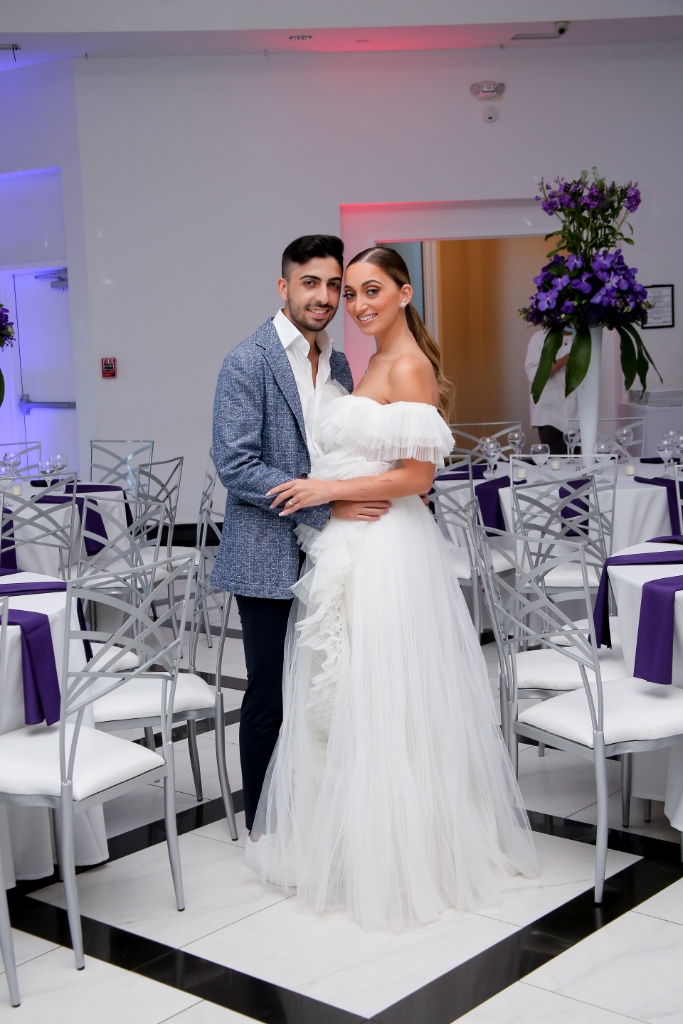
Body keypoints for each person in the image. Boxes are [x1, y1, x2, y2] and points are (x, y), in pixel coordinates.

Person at [244, 246, 538, 931]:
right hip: (351, 541)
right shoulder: (365, 362)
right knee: (345, 691)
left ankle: (402, 852)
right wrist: (332, 497)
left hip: (386, 547)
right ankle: (346, 842)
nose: (357, 305)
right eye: (349, 293)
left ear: (405, 293)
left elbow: (416, 477)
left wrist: (326, 491)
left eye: (371, 290)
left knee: (383, 692)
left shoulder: (407, 366)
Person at [211, 235, 392, 833]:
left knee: (322, 683)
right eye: (310, 283)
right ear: (283, 286)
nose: (324, 296)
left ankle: (313, 815)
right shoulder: (248, 360)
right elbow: (236, 464)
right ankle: (264, 828)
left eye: (334, 285)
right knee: (270, 692)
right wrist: (326, 502)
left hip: (331, 552)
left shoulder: (337, 362)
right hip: (266, 552)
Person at [524, 327, 578, 454]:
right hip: (548, 415)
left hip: (576, 414)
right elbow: (535, 376)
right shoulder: (539, 339)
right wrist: (563, 361)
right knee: (555, 461)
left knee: (575, 460)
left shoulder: (582, 339)